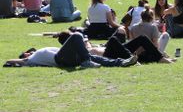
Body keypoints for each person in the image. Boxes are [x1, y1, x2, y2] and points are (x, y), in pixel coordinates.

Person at [5, 33, 138, 68]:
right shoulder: (29, 59)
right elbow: (12, 61)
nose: (29, 52)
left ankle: (122, 62)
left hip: (66, 57)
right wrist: (9, 61)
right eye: (27, 52)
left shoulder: (39, 52)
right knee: (76, 36)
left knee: (94, 57)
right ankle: (86, 61)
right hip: (60, 60)